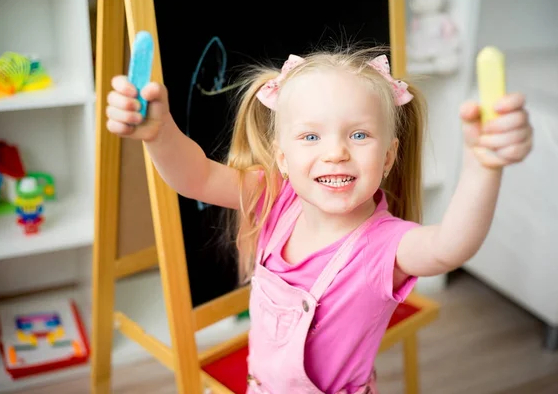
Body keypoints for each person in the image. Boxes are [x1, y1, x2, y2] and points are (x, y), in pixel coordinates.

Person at [105, 46, 533, 394]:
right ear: (282, 157)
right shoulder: (275, 196)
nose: (335, 152)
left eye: (359, 134)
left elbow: (451, 245)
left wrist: (484, 166)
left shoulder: (386, 247)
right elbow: (196, 177)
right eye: (311, 136)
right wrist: (159, 134)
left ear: (388, 157)